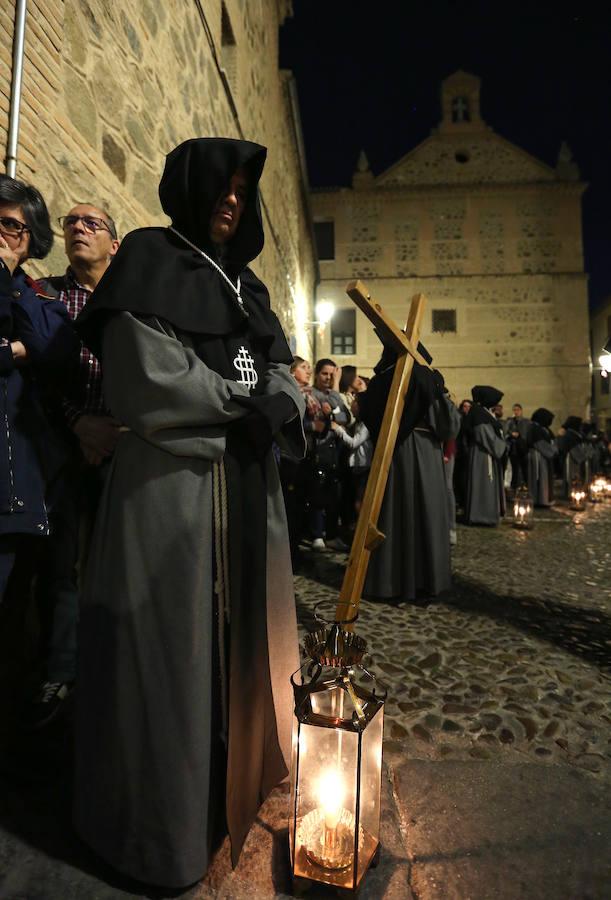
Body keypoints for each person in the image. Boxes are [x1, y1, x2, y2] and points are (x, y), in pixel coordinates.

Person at [73, 138, 305, 888]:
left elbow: (282, 372)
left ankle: (229, 787)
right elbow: (147, 376)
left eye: (242, 189)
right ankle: (160, 831)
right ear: (189, 187)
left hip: (243, 494)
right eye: (221, 185)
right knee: (169, 659)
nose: (231, 199)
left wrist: (284, 401)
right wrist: (249, 410)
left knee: (240, 648)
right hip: (172, 490)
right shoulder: (147, 256)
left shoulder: (248, 288)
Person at [25, 204, 120, 729]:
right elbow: (41, 370)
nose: (78, 228)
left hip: (124, 449)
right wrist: (79, 422)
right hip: (64, 448)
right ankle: (59, 675)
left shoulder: (130, 300)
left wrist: (112, 430)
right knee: (60, 567)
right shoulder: (46, 294)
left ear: (115, 244)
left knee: (119, 569)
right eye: (71, 222)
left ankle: (113, 675)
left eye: (92, 223)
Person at [0, 175, 77, 604]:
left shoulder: (39, 297)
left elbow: (53, 348)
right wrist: (16, 351)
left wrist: (4, 272)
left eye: (10, 225)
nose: (0, 234)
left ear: (33, 238)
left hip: (15, 476)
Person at [360, 343, 460, 603]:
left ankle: (389, 581)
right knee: (423, 512)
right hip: (423, 452)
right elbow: (448, 426)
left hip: (389, 453)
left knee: (393, 514)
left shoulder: (380, 379)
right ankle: (422, 581)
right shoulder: (426, 378)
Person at [306, 358, 350, 550]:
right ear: (317, 374)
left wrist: (332, 414)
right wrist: (330, 416)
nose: (328, 378)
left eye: (332, 375)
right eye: (325, 373)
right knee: (317, 492)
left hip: (335, 451)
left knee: (334, 494)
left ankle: (332, 534)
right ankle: (317, 534)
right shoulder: (311, 393)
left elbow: (345, 417)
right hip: (317, 449)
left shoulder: (334, 395)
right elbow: (313, 418)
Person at [463, 385, 507, 526]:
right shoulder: (478, 413)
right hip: (483, 454)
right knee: (483, 483)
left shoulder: (482, 412)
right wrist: (502, 446)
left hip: (486, 453)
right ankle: (481, 516)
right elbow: (485, 435)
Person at [330, 392, 372, 525]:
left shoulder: (366, 424)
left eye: (354, 402)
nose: (351, 404)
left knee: (359, 502)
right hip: (355, 467)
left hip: (363, 467)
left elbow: (354, 442)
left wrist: (338, 430)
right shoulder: (357, 422)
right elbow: (343, 419)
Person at [526, 408, 557, 507]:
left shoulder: (543, 428)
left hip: (542, 456)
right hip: (538, 456)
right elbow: (539, 443)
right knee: (539, 477)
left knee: (544, 478)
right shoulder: (534, 428)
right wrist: (552, 450)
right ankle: (539, 499)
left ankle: (543, 498)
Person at [557, 416, 586, 498]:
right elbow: (572, 448)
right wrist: (583, 455)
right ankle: (571, 493)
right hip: (572, 458)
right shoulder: (570, 434)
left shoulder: (573, 433)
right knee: (572, 476)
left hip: (573, 457)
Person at [505, 402, 530, 489]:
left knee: (525, 469)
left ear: (521, 411)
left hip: (523, 448)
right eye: (514, 410)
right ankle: (515, 486)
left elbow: (527, 434)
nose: (516, 412)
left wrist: (520, 436)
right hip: (514, 449)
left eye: (517, 410)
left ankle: (526, 485)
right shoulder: (510, 421)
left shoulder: (526, 422)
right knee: (514, 470)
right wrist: (511, 434)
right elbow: (506, 432)